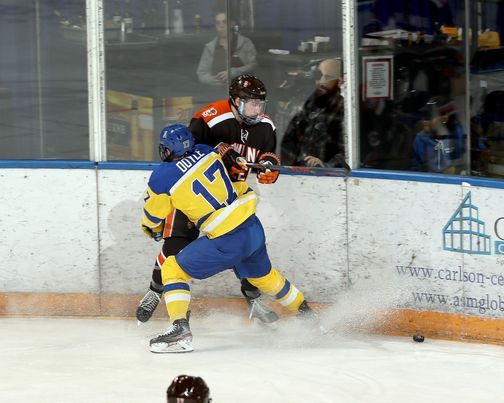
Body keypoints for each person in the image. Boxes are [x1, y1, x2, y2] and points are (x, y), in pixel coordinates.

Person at [142, 124, 318, 353]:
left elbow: (153, 215)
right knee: (266, 278)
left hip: (226, 239)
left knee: (172, 269)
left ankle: (180, 331)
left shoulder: (161, 176)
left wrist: (151, 228)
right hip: (252, 228)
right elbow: (228, 163)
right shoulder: (206, 150)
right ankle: (309, 317)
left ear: (168, 150)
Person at [137, 74, 280, 326]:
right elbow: (185, 153)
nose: (258, 109)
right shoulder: (209, 118)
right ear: (236, 101)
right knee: (176, 244)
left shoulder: (266, 125)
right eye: (252, 103)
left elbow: (267, 155)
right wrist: (224, 153)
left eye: (260, 103)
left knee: (243, 246)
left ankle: (254, 299)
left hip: (230, 197)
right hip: (193, 196)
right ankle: (155, 290)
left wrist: (270, 165)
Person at [281, 58, 346, 168]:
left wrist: (325, 166)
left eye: (327, 77)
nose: (320, 81)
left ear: (340, 82)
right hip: (293, 172)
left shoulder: (344, 109)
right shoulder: (301, 103)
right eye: (318, 76)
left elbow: (349, 152)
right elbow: (283, 139)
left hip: (326, 175)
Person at [196, 11, 257, 86]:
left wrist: (232, 72)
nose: (221, 25)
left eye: (224, 22)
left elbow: (253, 65)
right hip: (215, 90)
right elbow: (202, 73)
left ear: (232, 24)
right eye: (218, 23)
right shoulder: (210, 48)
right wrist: (214, 80)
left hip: (242, 88)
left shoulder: (245, 43)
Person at [411, 96, 465, 174]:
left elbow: (458, 162)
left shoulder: (455, 134)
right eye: (424, 117)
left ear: (444, 118)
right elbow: (416, 167)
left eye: (430, 117)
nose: (424, 121)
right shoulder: (421, 138)